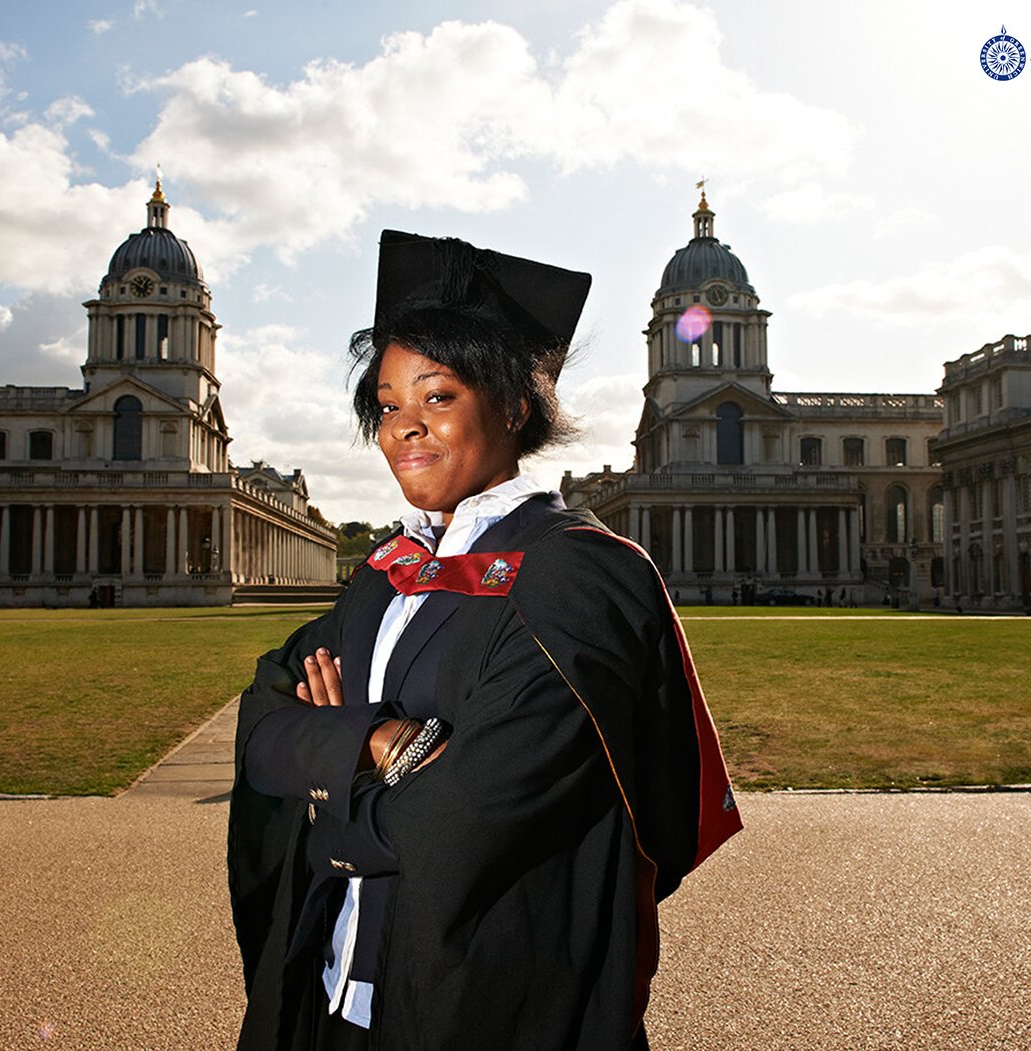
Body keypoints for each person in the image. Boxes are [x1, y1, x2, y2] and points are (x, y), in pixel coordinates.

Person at [228, 230, 742, 1051]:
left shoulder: (577, 578)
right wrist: (378, 740)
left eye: (436, 397)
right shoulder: (387, 570)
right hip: (333, 997)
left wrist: (324, 791)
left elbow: (467, 818)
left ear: (511, 403)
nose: (404, 427)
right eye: (388, 404)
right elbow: (260, 720)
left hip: (485, 1006)